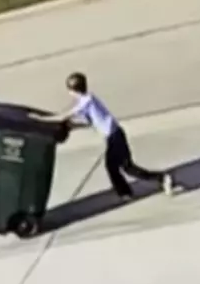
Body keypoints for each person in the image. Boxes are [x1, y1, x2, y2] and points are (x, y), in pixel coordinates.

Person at [31, 72, 174, 200]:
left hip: (114, 137)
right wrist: (73, 127)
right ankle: (127, 192)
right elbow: (90, 122)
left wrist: (39, 119)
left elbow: (63, 116)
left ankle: (157, 180)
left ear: (73, 90)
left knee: (125, 168)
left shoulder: (85, 102)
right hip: (114, 135)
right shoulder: (88, 99)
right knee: (121, 167)